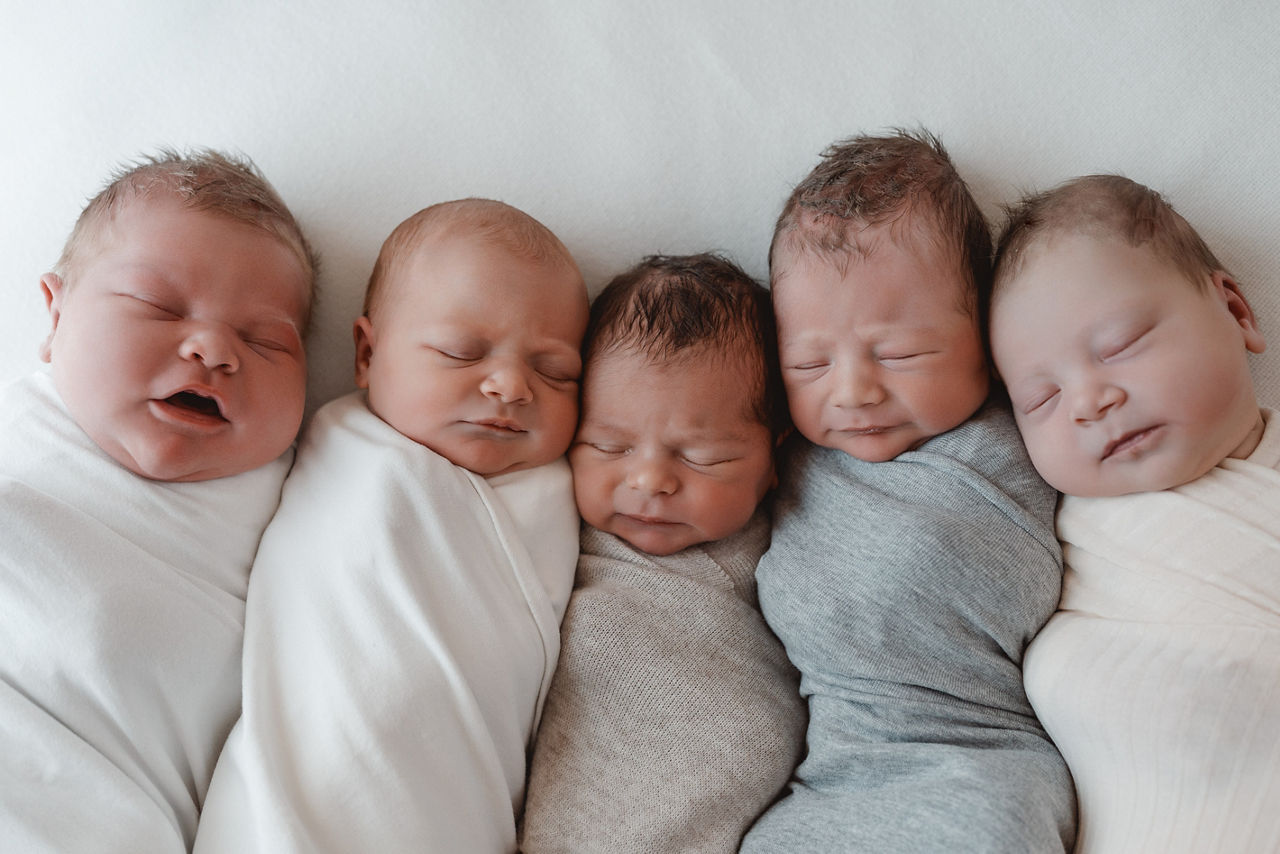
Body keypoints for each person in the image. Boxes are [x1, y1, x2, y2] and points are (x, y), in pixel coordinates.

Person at [193, 198, 589, 854]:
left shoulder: (558, 490)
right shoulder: (333, 446)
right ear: (367, 354)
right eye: (463, 352)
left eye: (557, 372)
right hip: (280, 806)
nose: (512, 386)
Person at [740, 129, 1075, 853]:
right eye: (809, 363)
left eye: (901, 353)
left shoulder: (1031, 438)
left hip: (978, 759)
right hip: (827, 775)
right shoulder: (783, 459)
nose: (854, 391)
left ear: (986, 337)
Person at [0, 149, 316, 853]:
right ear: (54, 316)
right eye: (157, 307)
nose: (213, 348)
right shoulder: (23, 432)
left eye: (265, 342)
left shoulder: (306, 494)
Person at [989, 174, 1280, 853]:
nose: (1089, 401)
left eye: (1119, 345)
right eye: (1041, 399)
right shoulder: (1047, 531)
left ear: (1236, 311)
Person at [519, 254, 807, 854]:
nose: (650, 481)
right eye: (608, 445)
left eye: (704, 457)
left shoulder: (793, 546)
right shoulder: (548, 524)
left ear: (776, 457)